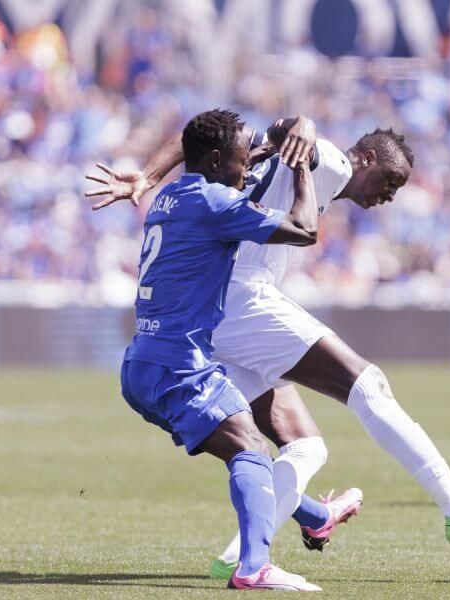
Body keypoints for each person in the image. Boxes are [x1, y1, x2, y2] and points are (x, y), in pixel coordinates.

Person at [92, 122, 450, 579]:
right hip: (241, 299)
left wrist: (148, 177)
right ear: (366, 159)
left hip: (214, 314)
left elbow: (201, 131)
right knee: (367, 385)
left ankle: (241, 557)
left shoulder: (297, 165)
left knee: (305, 446)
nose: (390, 195)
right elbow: (288, 132)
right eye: (390, 180)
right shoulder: (331, 161)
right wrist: (300, 124)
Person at [85, 109, 325, 591]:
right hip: (180, 365)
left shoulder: (170, 194)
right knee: (251, 447)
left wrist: (262, 151)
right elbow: (305, 229)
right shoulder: (216, 203)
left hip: (141, 364)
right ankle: (254, 567)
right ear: (215, 160)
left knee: (237, 445)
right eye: (241, 161)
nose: (247, 170)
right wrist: (301, 165)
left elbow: (203, 147)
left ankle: (316, 515)